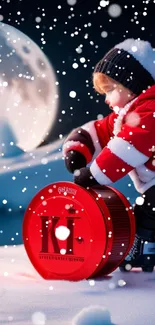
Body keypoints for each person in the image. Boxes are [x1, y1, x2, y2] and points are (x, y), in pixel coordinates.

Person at [62, 38, 155, 269]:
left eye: (110, 90)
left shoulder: (150, 112)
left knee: (147, 218)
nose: (106, 99)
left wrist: (95, 175)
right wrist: (78, 148)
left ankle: (140, 250)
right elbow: (99, 130)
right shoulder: (127, 115)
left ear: (132, 85)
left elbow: (127, 146)